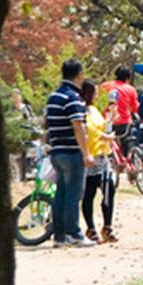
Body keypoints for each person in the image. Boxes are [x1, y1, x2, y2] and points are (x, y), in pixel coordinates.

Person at [44, 59, 95, 247]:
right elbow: (78, 126)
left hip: (56, 150)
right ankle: (74, 233)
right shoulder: (73, 97)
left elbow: (46, 123)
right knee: (74, 194)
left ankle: (59, 236)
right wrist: (86, 153)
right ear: (79, 74)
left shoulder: (53, 97)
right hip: (72, 151)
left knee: (61, 193)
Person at [79, 80, 118, 243]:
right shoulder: (81, 110)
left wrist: (111, 118)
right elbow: (89, 131)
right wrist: (106, 137)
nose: (97, 95)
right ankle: (90, 228)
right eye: (94, 92)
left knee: (109, 189)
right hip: (89, 156)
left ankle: (107, 226)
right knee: (89, 194)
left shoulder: (94, 109)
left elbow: (102, 126)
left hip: (102, 155)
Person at [101, 65, 140, 157]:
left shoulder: (105, 86)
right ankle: (127, 162)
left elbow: (100, 103)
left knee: (107, 144)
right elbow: (135, 108)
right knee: (126, 143)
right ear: (127, 78)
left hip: (108, 121)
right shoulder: (131, 89)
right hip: (124, 122)